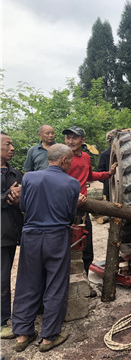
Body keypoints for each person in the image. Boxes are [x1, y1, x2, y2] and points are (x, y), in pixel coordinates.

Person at [12, 144, 82, 353]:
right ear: (63, 161)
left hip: (31, 236)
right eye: (69, 161)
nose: (70, 165)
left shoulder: (30, 178)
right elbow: (70, 216)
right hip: (57, 237)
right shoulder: (72, 183)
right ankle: (48, 337)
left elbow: (23, 207)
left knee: (27, 282)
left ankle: (23, 334)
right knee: (56, 284)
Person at [63, 126, 117, 276]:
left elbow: (90, 175)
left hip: (83, 208)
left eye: (74, 138)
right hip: (64, 207)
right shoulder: (62, 157)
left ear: (83, 140)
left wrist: (109, 174)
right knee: (64, 246)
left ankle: (84, 278)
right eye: (68, 138)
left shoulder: (86, 157)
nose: (70, 141)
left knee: (86, 247)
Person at [1, 132, 24, 340]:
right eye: (7, 144)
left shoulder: (15, 173)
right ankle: (2, 322)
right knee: (1, 278)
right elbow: (6, 197)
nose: (12, 148)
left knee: (7, 274)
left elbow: (23, 197)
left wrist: (19, 199)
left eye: (12, 144)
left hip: (13, 232)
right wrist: (7, 197)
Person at [97, 129, 121, 201]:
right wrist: (108, 180)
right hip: (110, 190)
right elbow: (100, 172)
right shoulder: (104, 155)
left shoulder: (124, 154)